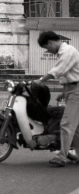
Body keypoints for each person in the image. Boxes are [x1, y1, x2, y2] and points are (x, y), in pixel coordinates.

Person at [36, 30, 79, 167]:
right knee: (75, 126)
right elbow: (68, 74)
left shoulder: (68, 52)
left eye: (47, 48)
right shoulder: (64, 52)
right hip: (72, 89)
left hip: (76, 91)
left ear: (50, 42)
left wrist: (41, 80)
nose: (48, 51)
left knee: (67, 124)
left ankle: (62, 157)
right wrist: (64, 92)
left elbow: (59, 70)